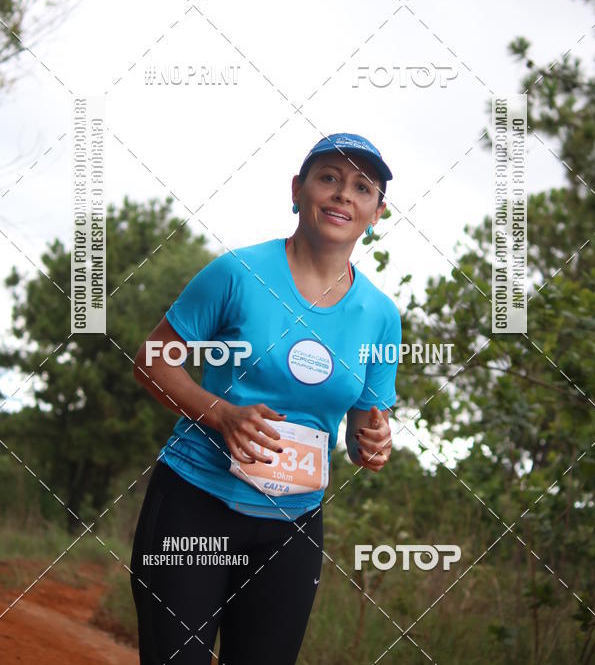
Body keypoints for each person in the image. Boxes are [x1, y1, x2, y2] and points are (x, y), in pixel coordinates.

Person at [129, 132, 402, 665]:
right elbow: (153, 360)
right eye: (328, 178)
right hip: (195, 504)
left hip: (293, 526)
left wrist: (374, 442)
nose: (343, 194)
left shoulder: (381, 315)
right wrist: (222, 413)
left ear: (377, 213)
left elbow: (365, 430)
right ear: (298, 190)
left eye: (361, 187)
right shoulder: (238, 273)